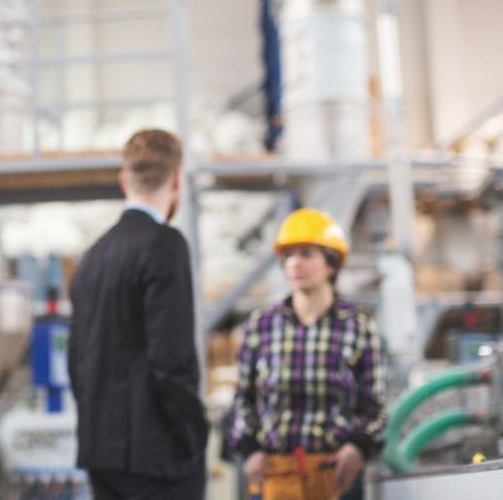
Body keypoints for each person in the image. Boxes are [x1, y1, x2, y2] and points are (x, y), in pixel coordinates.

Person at [68, 129, 209, 500]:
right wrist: (195, 434)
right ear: (177, 179)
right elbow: (172, 358)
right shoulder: (166, 245)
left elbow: (76, 363)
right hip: (158, 455)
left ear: (124, 180)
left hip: (102, 454)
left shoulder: (91, 259)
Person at [227, 208, 386, 500]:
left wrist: (358, 447)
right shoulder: (261, 327)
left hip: (336, 474)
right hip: (275, 475)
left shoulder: (358, 330)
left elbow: (374, 406)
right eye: (288, 255)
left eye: (305, 253)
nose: (294, 263)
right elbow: (243, 401)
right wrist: (249, 450)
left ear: (332, 263)